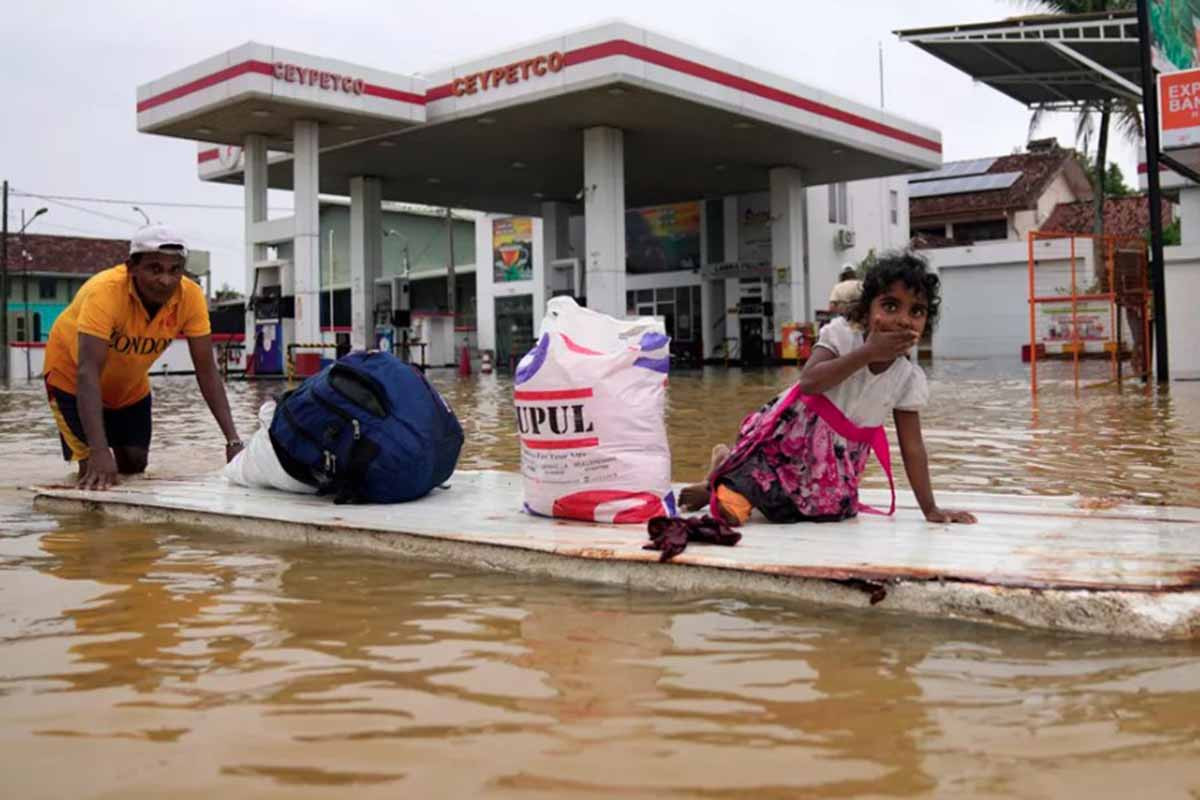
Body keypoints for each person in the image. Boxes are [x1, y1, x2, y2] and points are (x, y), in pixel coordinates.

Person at [679, 251, 975, 526]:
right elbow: (810, 382)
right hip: (791, 438)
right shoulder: (843, 336)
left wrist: (930, 509)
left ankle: (721, 475)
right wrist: (868, 353)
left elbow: (913, 448)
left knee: (830, 511)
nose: (902, 319)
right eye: (890, 305)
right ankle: (722, 478)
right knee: (736, 507)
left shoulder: (909, 378)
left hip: (835, 461)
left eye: (917, 311)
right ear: (865, 311)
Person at [43, 223, 243, 490]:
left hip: (129, 386)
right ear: (132, 267)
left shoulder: (191, 296)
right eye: (154, 269)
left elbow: (207, 371)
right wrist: (99, 451)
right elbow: (87, 371)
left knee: (135, 465)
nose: (166, 280)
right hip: (70, 381)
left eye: (175, 270)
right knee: (96, 472)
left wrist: (233, 441)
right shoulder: (104, 292)